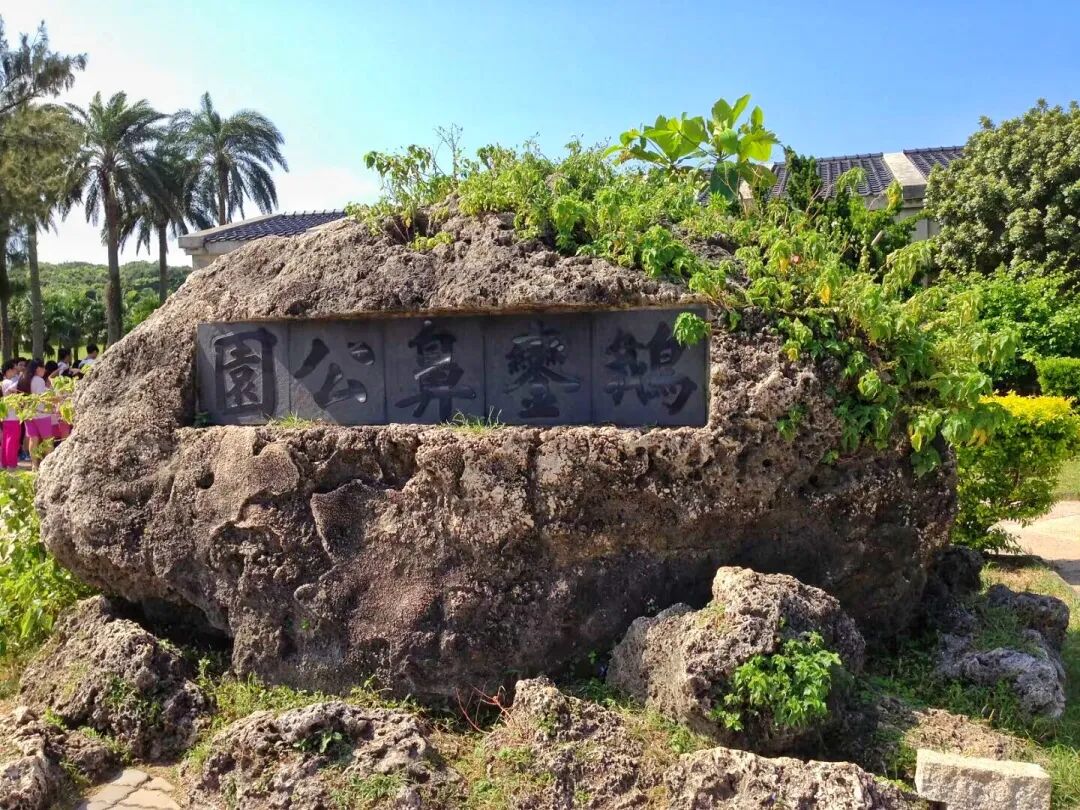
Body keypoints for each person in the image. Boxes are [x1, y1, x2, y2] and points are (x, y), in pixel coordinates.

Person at [17, 360, 52, 470]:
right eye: (43, 368)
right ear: (38, 368)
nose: (45, 371)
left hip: (28, 413)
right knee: (47, 440)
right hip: (42, 414)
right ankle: (49, 465)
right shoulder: (39, 380)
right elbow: (43, 397)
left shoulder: (23, 379)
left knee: (33, 439)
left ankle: (34, 465)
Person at [1, 360, 19, 469]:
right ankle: (11, 464)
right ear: (8, 371)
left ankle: (4, 463)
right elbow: (13, 390)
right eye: (14, 369)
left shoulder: (4, 382)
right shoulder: (8, 382)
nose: (15, 371)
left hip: (7, 416)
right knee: (12, 442)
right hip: (12, 416)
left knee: (6, 440)